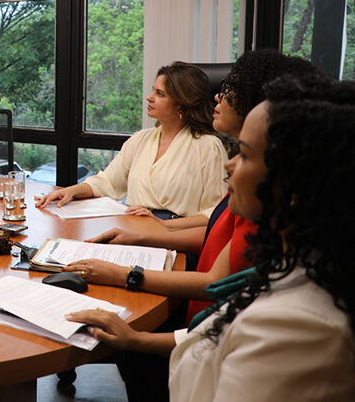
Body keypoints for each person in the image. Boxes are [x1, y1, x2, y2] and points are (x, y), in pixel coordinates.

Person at [67, 74, 355, 401]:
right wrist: (136, 340)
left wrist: (129, 275)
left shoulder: (293, 329)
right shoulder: (286, 268)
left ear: (294, 184)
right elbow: (213, 333)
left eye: (244, 155)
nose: (230, 166)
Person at [37, 62, 227, 221]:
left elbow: (215, 212)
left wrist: (162, 223)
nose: (149, 97)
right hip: (133, 231)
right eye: (153, 91)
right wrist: (72, 191)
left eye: (160, 94)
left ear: (182, 104)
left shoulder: (208, 147)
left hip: (176, 238)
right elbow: (109, 181)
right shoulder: (140, 140)